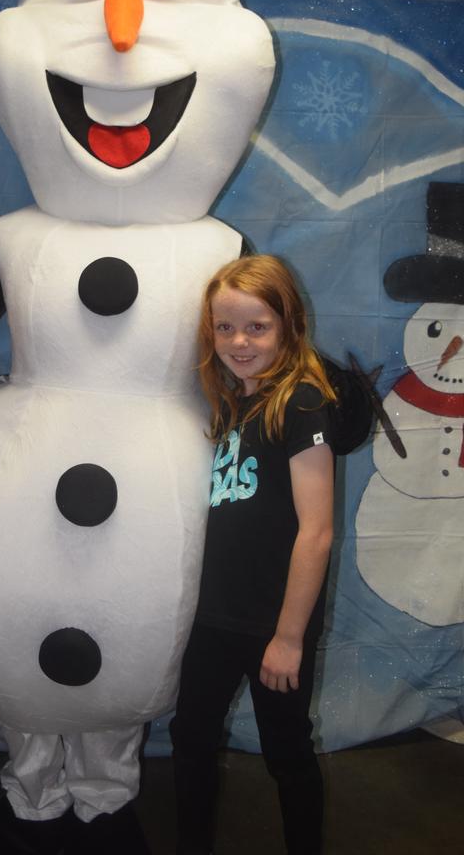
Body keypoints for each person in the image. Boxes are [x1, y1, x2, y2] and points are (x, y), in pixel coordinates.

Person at [170, 254, 337, 855]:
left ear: (288, 326)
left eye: (257, 327)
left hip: (274, 622)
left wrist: (289, 637)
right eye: (225, 328)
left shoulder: (301, 403)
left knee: (287, 752)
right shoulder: (229, 402)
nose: (239, 341)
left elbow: (316, 531)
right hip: (215, 618)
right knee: (189, 739)